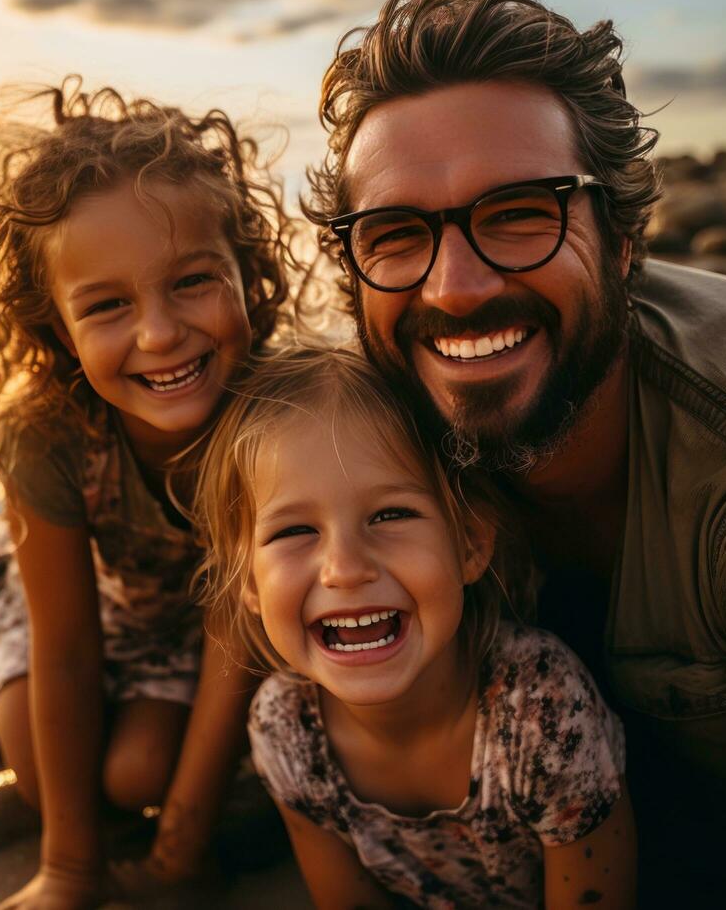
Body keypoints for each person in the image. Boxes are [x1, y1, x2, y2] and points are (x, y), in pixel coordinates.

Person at [303, 0, 726, 906]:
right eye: (395, 234)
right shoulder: (364, 419)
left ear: (624, 238)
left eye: (518, 213)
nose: (455, 288)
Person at [0, 76, 296, 909]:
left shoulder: (276, 421)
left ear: (249, 270)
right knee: (39, 779)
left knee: (135, 771)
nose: (160, 333)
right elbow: (64, 649)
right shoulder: (47, 434)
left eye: (192, 282)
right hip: (88, 605)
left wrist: (182, 842)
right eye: (106, 305)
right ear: (54, 328)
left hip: (207, 617)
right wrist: (70, 868)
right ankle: (1, 577)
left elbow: (233, 633)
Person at [191, 346, 637, 909]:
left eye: (390, 515)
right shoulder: (286, 731)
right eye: (295, 531)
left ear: (470, 541)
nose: (345, 569)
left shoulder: (540, 707)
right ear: (249, 583)